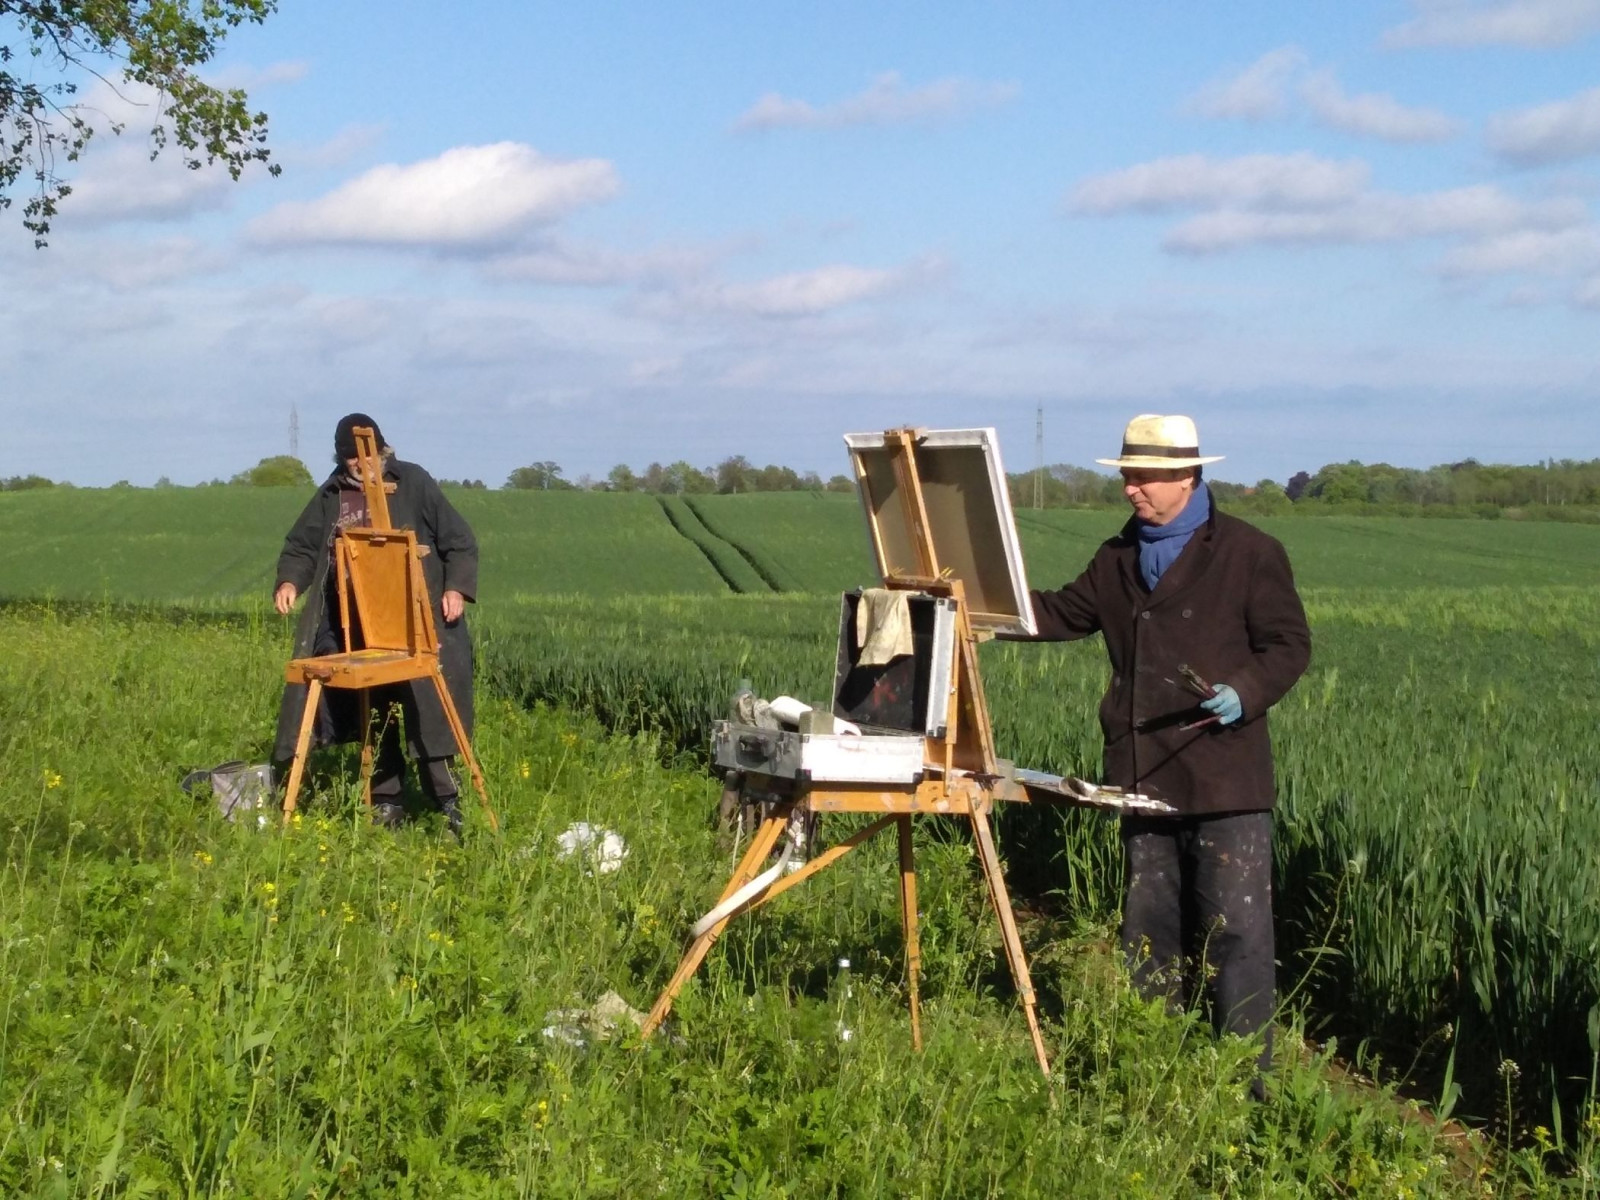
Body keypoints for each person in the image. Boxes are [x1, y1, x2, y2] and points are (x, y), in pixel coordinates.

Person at [1009, 413, 1310, 1092]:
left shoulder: (1249, 551)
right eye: (1127, 477)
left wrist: (1246, 691)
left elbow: (1289, 646)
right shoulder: (1117, 558)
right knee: (1149, 933)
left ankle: (1246, 1090)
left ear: (1187, 476)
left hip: (1224, 776)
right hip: (1143, 774)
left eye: (1143, 478)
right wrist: (981, 609)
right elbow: (1060, 613)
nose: (1131, 491)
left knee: (1236, 936)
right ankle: (1154, 1071)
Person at [270, 413, 480, 836]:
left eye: (366, 460)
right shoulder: (332, 493)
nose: (361, 469)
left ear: (383, 452)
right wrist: (291, 580)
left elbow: (459, 541)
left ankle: (448, 802)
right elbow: (303, 544)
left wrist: (455, 588)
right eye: (352, 463)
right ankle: (387, 803)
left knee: (429, 711)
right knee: (376, 714)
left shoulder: (414, 482)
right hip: (357, 627)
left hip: (418, 625)